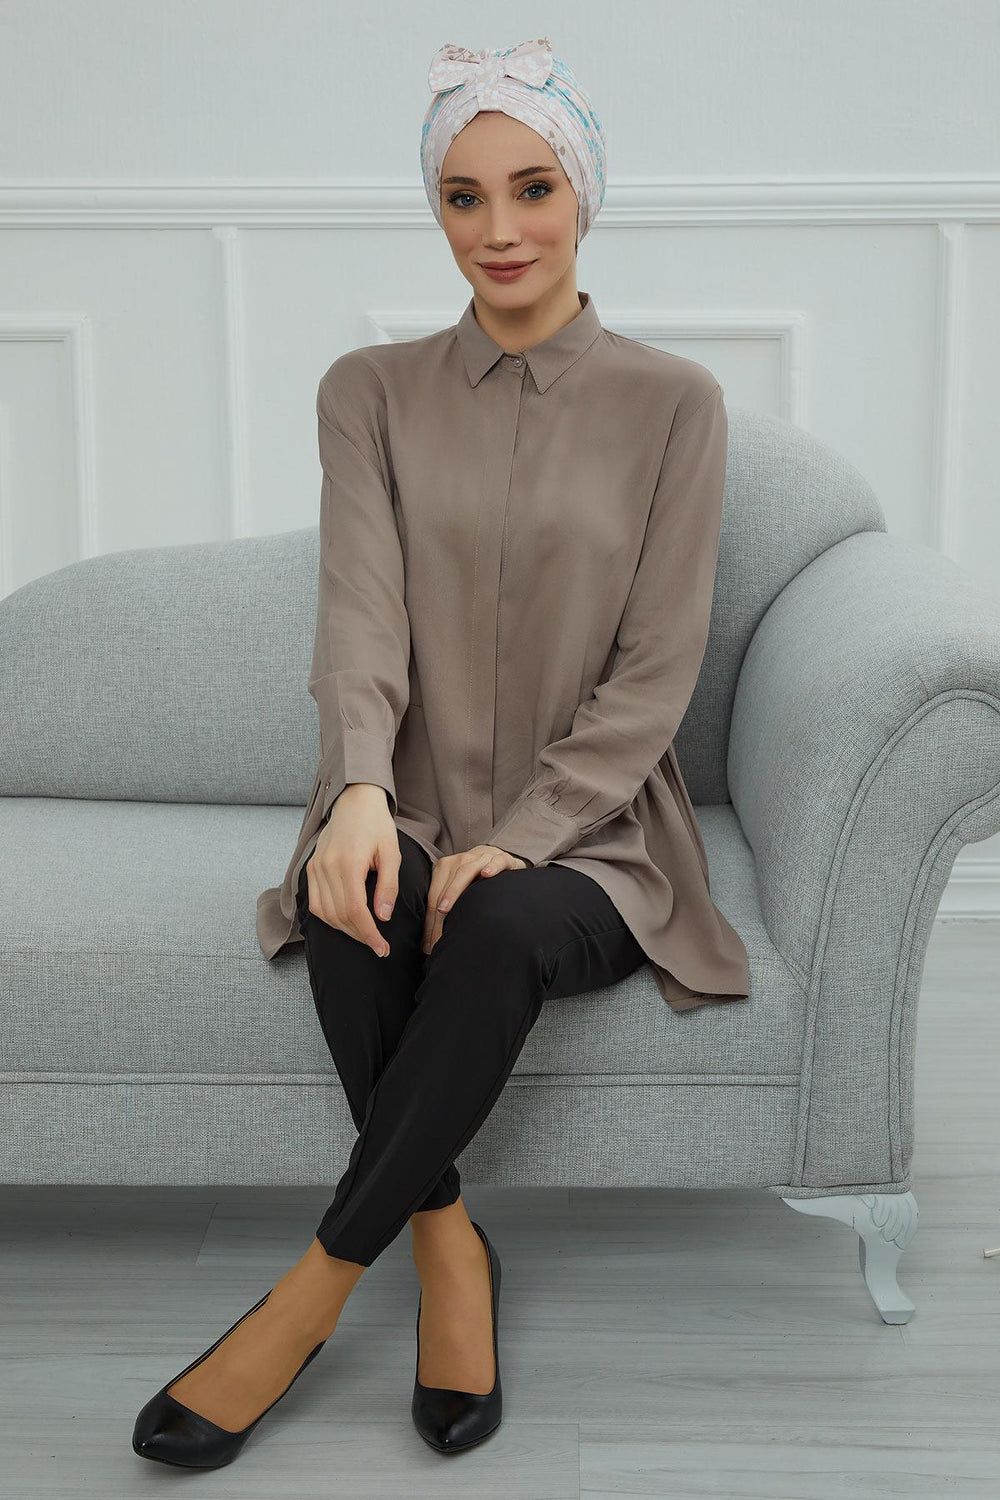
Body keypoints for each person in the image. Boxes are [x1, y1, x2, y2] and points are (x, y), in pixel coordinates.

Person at [133, 36, 750, 1472]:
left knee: (495, 921)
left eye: (533, 188)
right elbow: (359, 613)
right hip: (402, 794)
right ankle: (448, 1243)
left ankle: (309, 1295)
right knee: (357, 900)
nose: (500, 229)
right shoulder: (368, 391)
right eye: (464, 197)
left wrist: (522, 835)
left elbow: (658, 670)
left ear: (584, 195)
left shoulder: (676, 405)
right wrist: (358, 789)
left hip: (593, 831)